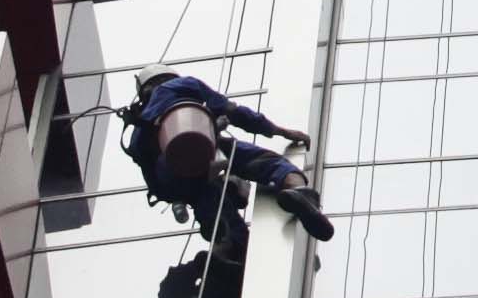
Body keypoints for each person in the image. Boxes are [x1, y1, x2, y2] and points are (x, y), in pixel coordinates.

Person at [118, 67, 333, 240]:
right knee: (270, 163)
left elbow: (155, 183)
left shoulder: (139, 128)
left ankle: (226, 238)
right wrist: (278, 131)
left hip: (177, 173)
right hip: (209, 144)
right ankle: (298, 191)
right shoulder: (182, 85)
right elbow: (233, 111)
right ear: (169, 76)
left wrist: (179, 193)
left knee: (206, 196)